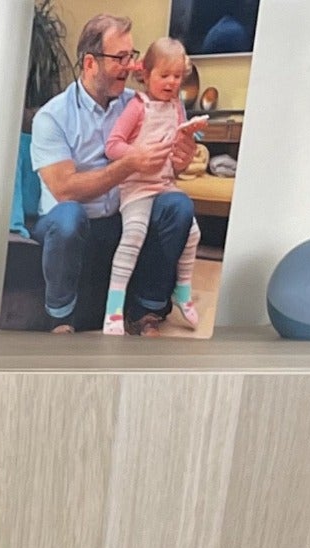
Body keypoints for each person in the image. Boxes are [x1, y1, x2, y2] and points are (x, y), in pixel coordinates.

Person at [26, 13, 200, 335]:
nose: (131, 66)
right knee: (69, 216)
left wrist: (181, 160)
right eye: (120, 58)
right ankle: (61, 317)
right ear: (90, 63)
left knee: (177, 207)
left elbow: (168, 164)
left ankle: (146, 310)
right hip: (69, 221)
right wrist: (129, 164)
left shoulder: (140, 102)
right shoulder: (52, 116)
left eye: (132, 56)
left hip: (118, 216)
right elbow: (64, 190)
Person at [100, 38, 205, 332]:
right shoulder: (138, 107)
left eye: (176, 76)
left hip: (164, 184)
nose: (171, 83)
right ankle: (114, 310)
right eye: (164, 75)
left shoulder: (176, 108)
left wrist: (187, 143)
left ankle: (182, 292)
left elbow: (178, 151)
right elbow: (112, 146)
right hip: (136, 188)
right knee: (133, 235)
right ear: (145, 74)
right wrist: (137, 155)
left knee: (194, 232)